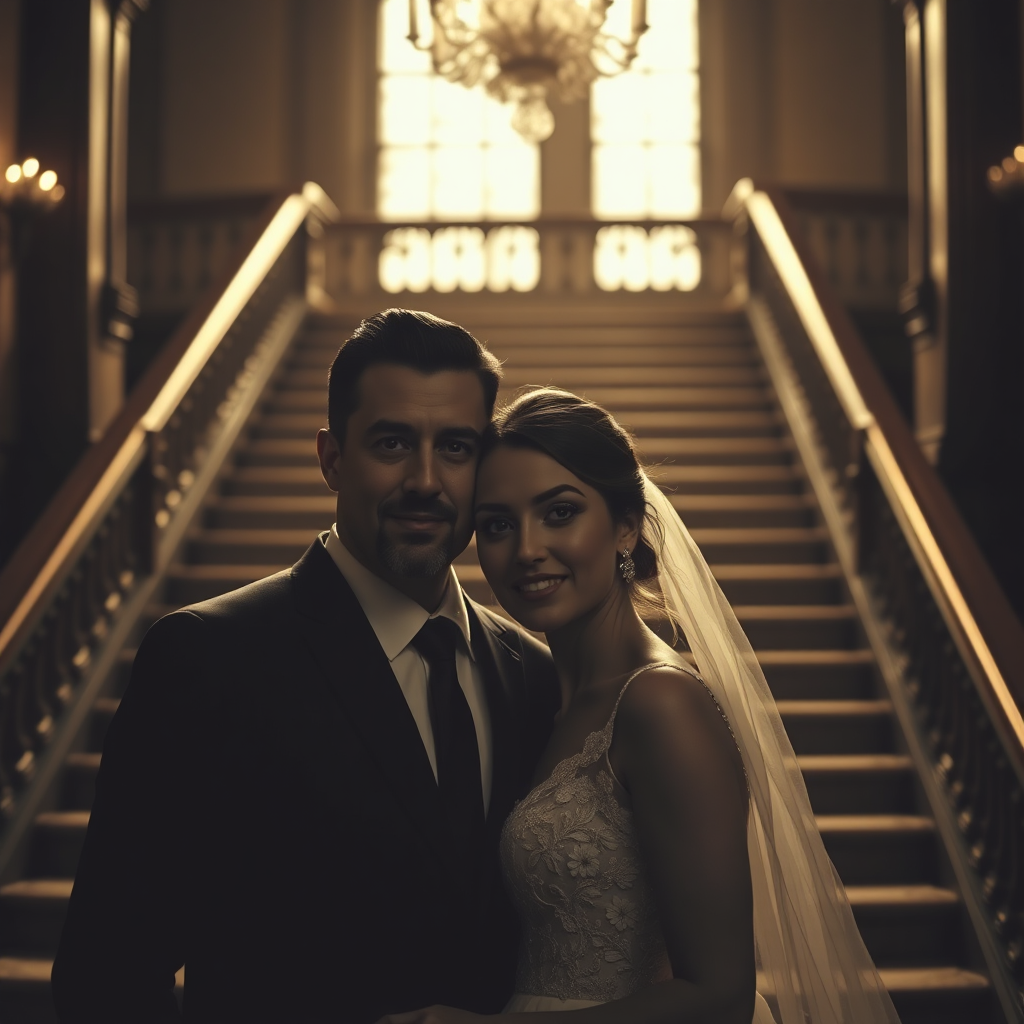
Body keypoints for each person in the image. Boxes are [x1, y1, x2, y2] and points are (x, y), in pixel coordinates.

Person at [51, 310, 560, 1023]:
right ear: (331, 458)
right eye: (391, 443)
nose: (426, 480)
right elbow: (107, 973)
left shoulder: (532, 672)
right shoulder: (207, 657)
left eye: (455, 447)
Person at [377, 389, 901, 1024]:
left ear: (626, 526)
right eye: (498, 525)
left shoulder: (661, 703)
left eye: (560, 512)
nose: (527, 549)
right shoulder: (541, 692)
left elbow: (720, 997)